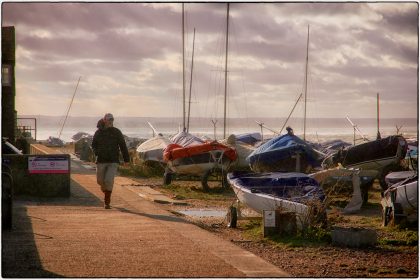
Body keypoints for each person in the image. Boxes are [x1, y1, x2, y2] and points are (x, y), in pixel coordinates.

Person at [92, 113, 130, 209]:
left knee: (109, 180)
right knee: (100, 181)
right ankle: (106, 191)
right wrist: (97, 153)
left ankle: (107, 202)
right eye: (109, 119)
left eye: (112, 119)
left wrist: (126, 160)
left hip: (113, 160)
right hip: (101, 160)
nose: (110, 121)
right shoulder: (98, 132)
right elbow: (94, 145)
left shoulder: (117, 132)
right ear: (104, 120)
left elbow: (123, 146)